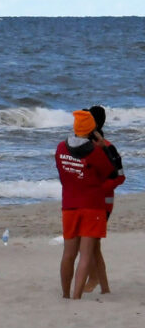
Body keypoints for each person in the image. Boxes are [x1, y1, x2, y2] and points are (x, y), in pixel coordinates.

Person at [55, 110, 123, 299]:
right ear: (93, 129)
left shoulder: (60, 148)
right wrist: (103, 148)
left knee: (68, 253)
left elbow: (63, 176)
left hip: (69, 205)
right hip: (92, 205)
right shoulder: (96, 152)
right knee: (86, 254)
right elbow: (112, 172)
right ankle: (76, 296)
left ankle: (66, 295)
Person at [83, 105, 126, 294]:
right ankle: (100, 283)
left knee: (92, 243)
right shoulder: (83, 146)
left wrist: (98, 189)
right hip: (87, 200)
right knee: (91, 244)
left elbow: (119, 176)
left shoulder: (108, 147)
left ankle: (96, 280)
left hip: (103, 202)